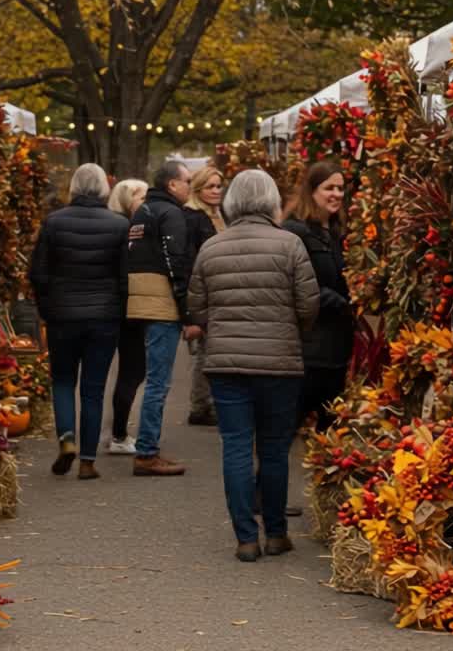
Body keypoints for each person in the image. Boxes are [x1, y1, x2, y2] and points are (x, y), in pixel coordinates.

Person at [188, 169, 319, 562]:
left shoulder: (212, 247)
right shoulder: (290, 244)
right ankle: (277, 533)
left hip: (226, 364)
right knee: (276, 449)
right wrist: (292, 331)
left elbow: (197, 307)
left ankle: (246, 538)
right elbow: (308, 304)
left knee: (237, 448)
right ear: (271, 200)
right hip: (279, 362)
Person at [29, 164, 130, 480]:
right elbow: (125, 277)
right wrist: (119, 311)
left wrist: (47, 308)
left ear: (73, 187)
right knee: (93, 388)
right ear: (103, 189)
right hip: (104, 317)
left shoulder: (54, 223)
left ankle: (66, 439)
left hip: (62, 315)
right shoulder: (119, 225)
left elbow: (38, 273)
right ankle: (87, 461)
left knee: (62, 380)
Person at [126, 160, 194, 476]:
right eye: (188, 182)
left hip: (141, 300)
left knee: (152, 378)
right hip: (162, 304)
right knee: (159, 381)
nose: (190, 187)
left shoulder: (143, 211)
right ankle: (147, 452)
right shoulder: (171, 214)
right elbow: (176, 262)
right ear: (172, 185)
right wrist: (187, 309)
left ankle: (147, 447)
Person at [283, 160, 355, 433]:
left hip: (336, 348)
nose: (336, 194)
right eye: (329, 188)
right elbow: (297, 283)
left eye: (340, 188)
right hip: (308, 348)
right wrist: (340, 302)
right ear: (312, 191)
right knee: (288, 425)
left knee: (330, 432)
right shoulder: (296, 231)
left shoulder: (338, 233)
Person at [105, 179, 149, 455]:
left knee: (127, 371)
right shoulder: (127, 230)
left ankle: (112, 431)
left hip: (115, 307)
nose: (147, 204)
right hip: (126, 308)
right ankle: (118, 434)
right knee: (132, 370)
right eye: (142, 198)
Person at [182, 166, 225, 426]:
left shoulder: (216, 215)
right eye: (210, 186)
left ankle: (205, 403)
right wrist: (190, 313)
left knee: (211, 350)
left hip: (216, 291)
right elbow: (190, 262)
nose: (216, 191)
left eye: (219, 186)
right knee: (206, 353)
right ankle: (200, 405)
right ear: (198, 190)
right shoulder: (193, 217)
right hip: (204, 292)